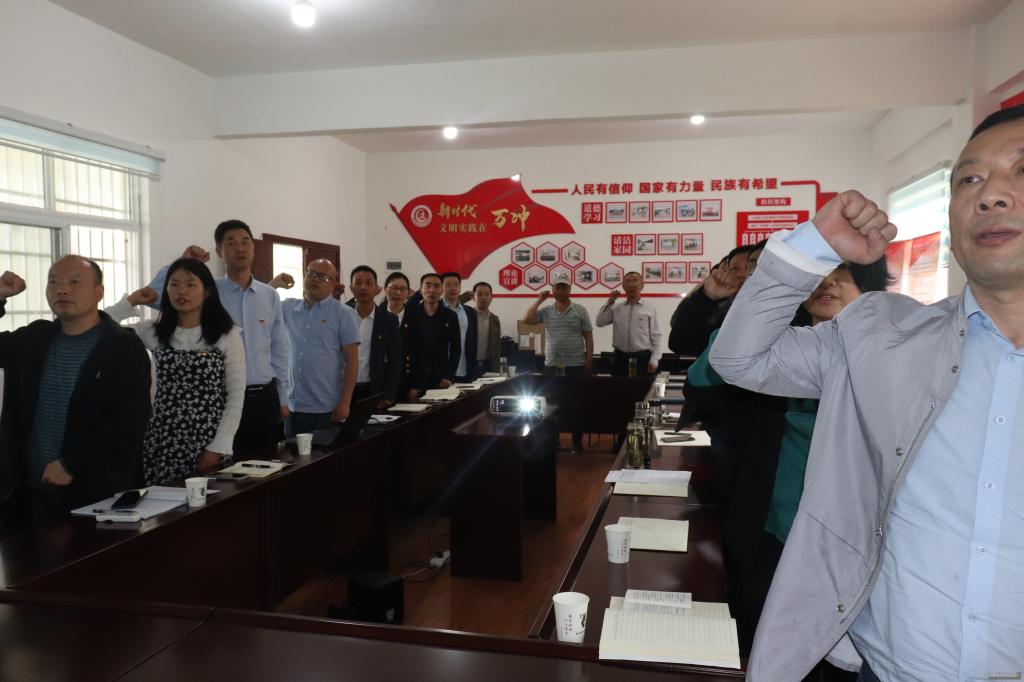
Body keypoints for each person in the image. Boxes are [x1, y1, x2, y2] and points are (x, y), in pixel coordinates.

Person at [710, 105, 1024, 682]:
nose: (990, 196)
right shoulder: (882, 336)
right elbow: (739, 359)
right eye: (969, 179)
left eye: (1021, 171)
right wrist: (813, 245)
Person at [0, 258, 150, 524]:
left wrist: (72, 463)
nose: (62, 289)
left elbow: (129, 422)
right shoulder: (33, 339)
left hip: (94, 494)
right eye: (53, 282)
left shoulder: (123, 348)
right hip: (24, 492)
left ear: (99, 292)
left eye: (74, 281)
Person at [149, 220, 289, 456]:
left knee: (265, 466)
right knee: (222, 469)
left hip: (264, 398)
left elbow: (279, 349)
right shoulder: (206, 292)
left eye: (245, 242)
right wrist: (182, 262)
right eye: (231, 243)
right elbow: (154, 297)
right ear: (218, 251)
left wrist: (283, 397)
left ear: (253, 248)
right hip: (219, 401)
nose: (240, 248)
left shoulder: (269, 295)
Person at [109, 258, 245, 485]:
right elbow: (101, 327)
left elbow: (236, 396)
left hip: (208, 439)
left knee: (210, 503)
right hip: (162, 438)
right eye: (174, 284)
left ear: (207, 292)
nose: (181, 291)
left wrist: (219, 446)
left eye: (190, 284)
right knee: (165, 503)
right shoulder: (152, 331)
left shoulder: (226, 334)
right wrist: (132, 300)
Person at [280, 258, 360, 436]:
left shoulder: (343, 314)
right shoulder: (288, 307)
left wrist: (345, 402)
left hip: (326, 406)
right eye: (311, 273)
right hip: (292, 405)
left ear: (333, 284)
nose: (315, 279)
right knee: (293, 453)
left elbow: (352, 360)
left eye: (323, 277)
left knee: (324, 452)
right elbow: (260, 306)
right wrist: (276, 283)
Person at [524, 277, 593, 451]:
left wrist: (589, 361)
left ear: (569, 290)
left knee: (576, 404)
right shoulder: (546, 310)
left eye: (564, 287)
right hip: (552, 364)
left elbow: (588, 336)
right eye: (558, 287)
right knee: (550, 403)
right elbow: (527, 319)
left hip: (576, 364)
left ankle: (576, 442)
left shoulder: (580, 310)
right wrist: (540, 299)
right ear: (553, 290)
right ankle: (552, 440)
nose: (561, 291)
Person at [668, 243, 761, 356]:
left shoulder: (773, 306)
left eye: (749, 267)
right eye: (735, 268)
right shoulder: (717, 306)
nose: (741, 274)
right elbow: (680, 344)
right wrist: (708, 296)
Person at [346, 265, 401, 408]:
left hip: (373, 390)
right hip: (341, 389)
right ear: (351, 288)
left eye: (368, 283)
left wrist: (389, 396)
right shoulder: (341, 315)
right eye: (358, 283)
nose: (363, 287)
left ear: (377, 288)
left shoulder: (389, 320)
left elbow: (395, 360)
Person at [595, 271, 663, 375]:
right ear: (623, 286)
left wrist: (655, 359)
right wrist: (610, 302)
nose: (631, 285)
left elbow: (657, 336)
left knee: (642, 385)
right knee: (619, 385)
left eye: (635, 281)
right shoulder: (616, 308)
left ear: (642, 285)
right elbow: (600, 322)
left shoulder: (650, 308)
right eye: (628, 281)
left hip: (642, 359)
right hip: (619, 358)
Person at [407, 273, 461, 393]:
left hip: (441, 379)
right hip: (414, 379)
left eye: (436, 286)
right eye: (428, 286)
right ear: (420, 289)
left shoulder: (450, 316)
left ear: (441, 290)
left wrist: (448, 377)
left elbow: (456, 349)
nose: (432, 290)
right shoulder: (411, 313)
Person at [383, 271, 421, 402]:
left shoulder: (417, 317)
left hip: (407, 382)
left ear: (409, 293)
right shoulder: (377, 316)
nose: (398, 293)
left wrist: (416, 385)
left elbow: (422, 354)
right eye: (393, 288)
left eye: (402, 289)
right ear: (384, 290)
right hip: (381, 383)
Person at [440, 272, 478, 382]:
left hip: (465, 369)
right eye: (448, 285)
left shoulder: (469, 312)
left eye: (456, 285)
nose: (453, 288)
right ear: (441, 288)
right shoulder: (435, 310)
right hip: (441, 371)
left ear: (460, 288)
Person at [461, 281, 502, 375]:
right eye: (479, 294)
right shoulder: (466, 314)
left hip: (488, 366)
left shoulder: (495, 320)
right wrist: (466, 296)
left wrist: (496, 370)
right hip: (469, 364)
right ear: (473, 297)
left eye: (487, 294)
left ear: (491, 298)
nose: (483, 297)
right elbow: (452, 305)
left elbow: (496, 348)